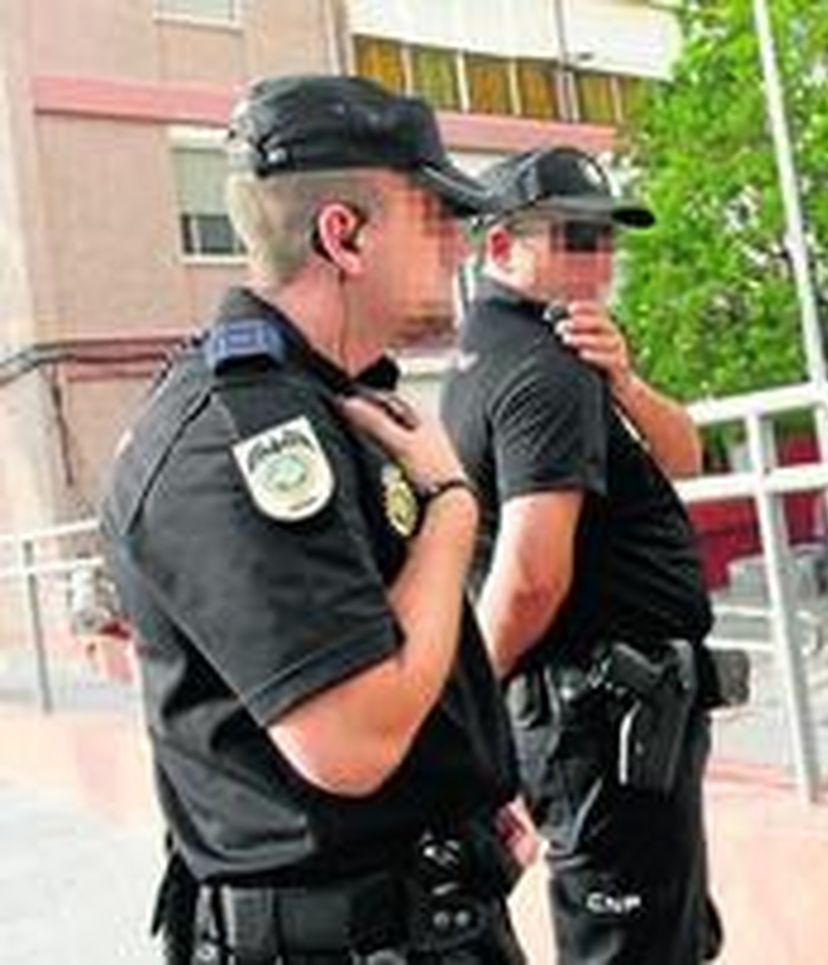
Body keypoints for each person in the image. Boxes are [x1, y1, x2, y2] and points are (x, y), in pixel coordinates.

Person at [100, 75, 531, 964]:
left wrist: (470, 791)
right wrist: (453, 515)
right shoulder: (233, 441)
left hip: (424, 914)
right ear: (345, 235)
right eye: (435, 218)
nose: (457, 249)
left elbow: (384, 625)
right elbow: (353, 741)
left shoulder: (334, 404)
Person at [442, 145, 723, 964]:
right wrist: (472, 702)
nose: (598, 260)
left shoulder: (545, 348)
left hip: (610, 711)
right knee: (630, 945)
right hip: (602, 711)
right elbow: (529, 575)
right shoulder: (542, 369)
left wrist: (626, 382)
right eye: (574, 237)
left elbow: (687, 454)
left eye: (606, 238)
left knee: (664, 933)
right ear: (500, 248)